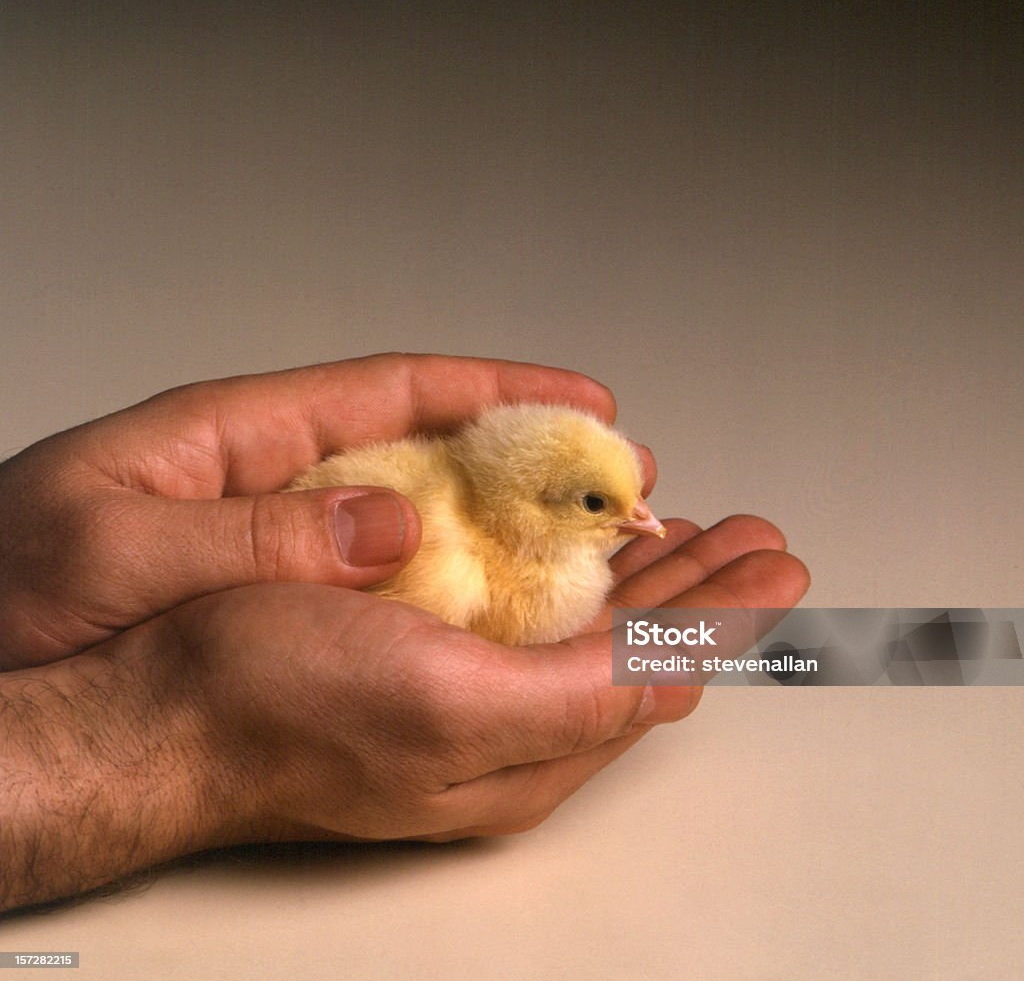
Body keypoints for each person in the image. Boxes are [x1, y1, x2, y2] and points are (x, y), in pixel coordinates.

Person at [0, 353, 810, 913]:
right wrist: (182, 723)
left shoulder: (475, 505)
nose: (642, 519)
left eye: (627, 500)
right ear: (533, 506)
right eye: (602, 505)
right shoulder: (448, 563)